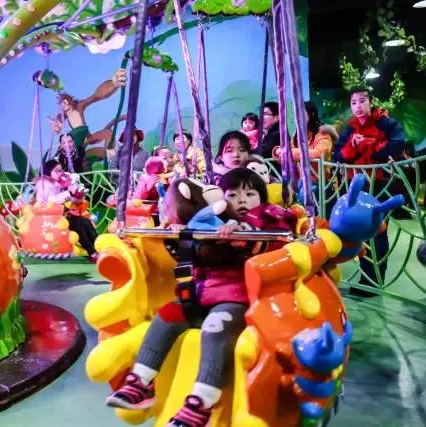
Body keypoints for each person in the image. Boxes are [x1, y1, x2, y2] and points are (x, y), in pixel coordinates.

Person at [105, 168, 290, 427]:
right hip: (198, 295)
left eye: (250, 194)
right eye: (233, 195)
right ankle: (141, 381)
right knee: (167, 315)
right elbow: (189, 253)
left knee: (215, 327)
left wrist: (244, 234)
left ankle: (202, 402)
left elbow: (278, 241)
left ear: (262, 198)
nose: (242, 200)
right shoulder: (210, 220)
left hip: (237, 299)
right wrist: (180, 235)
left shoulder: (268, 220)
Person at [333, 88, 406, 295]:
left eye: (362, 100)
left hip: (380, 182)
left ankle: (373, 280)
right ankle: (364, 277)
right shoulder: (350, 128)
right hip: (356, 185)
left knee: (378, 230)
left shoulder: (387, 123)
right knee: (358, 230)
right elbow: (339, 155)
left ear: (371, 102)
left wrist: (371, 145)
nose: (357, 106)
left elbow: (397, 146)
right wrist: (353, 145)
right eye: (353, 102)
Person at [272, 101, 337, 218]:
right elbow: (287, 152)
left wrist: (287, 152)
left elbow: (318, 153)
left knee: (306, 191)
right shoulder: (297, 134)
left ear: (311, 114)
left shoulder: (323, 133)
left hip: (320, 183)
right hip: (300, 181)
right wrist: (278, 151)